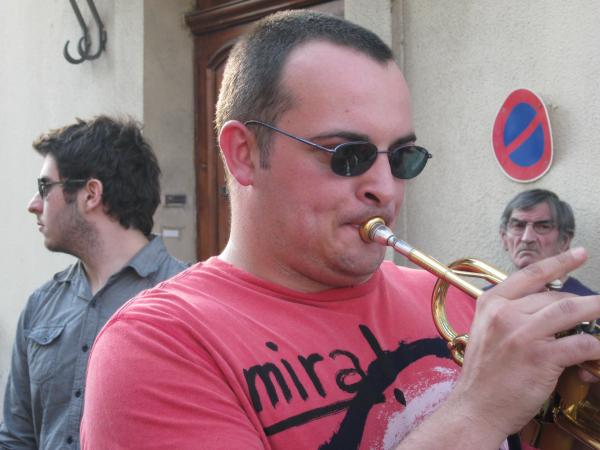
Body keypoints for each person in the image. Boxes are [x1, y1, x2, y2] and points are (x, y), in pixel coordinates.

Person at [80, 11, 600, 450]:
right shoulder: (158, 344)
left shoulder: (456, 304)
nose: (385, 188)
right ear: (243, 154)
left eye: (403, 157)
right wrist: (476, 412)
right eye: (347, 155)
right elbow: (480, 414)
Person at [0, 116, 188, 450]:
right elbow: (16, 438)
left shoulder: (189, 300)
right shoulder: (41, 307)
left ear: (91, 194)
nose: (33, 204)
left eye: (45, 187)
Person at [500, 188, 596, 295]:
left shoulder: (589, 303)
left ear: (564, 241)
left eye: (542, 227)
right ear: (504, 237)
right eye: (518, 226)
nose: (527, 238)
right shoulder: (486, 299)